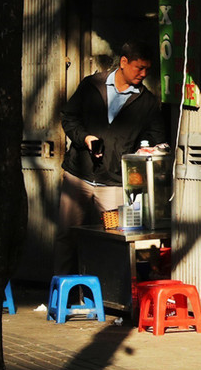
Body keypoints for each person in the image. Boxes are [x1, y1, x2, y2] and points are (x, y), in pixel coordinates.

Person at [53, 40, 168, 276]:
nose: (143, 74)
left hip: (114, 182)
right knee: (67, 237)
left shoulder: (147, 102)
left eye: (147, 69)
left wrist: (146, 151)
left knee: (116, 240)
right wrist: (85, 138)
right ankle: (64, 296)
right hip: (79, 176)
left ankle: (111, 301)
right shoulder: (92, 85)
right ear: (124, 62)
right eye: (139, 67)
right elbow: (69, 117)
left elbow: (156, 139)